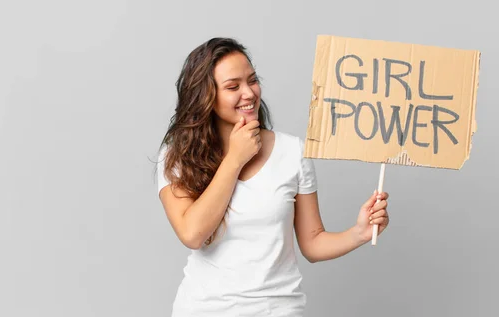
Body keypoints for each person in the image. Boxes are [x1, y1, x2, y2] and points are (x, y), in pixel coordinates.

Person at [156, 37, 390, 317]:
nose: (249, 93)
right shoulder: (177, 156)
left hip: (278, 310)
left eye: (252, 80)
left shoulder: (293, 152)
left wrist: (359, 233)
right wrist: (235, 159)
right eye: (233, 87)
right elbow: (193, 234)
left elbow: (313, 243)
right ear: (205, 97)